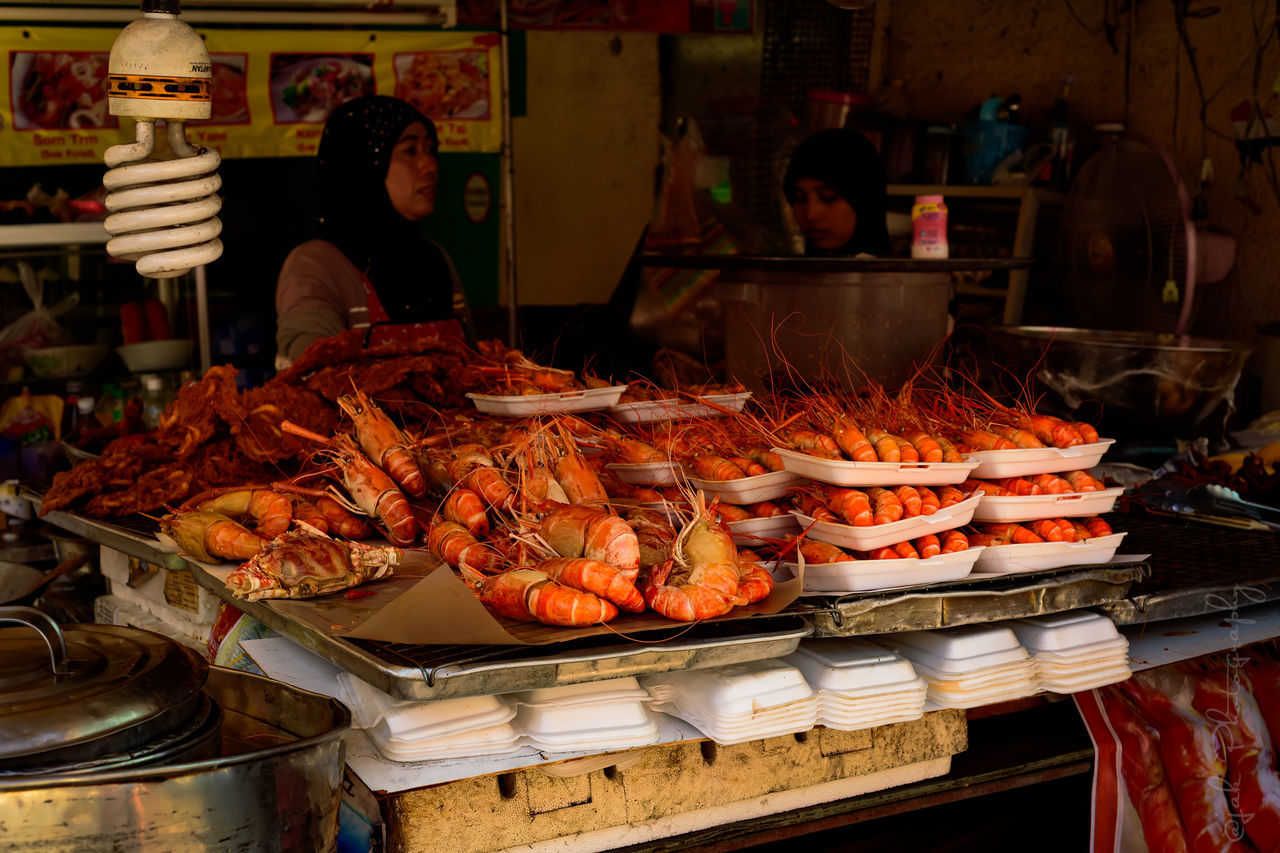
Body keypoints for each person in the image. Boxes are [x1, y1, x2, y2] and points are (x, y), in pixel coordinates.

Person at [275, 95, 473, 367]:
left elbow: (473, 364)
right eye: (410, 151)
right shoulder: (316, 265)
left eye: (430, 149)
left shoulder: (436, 259)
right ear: (364, 165)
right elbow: (311, 377)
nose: (430, 166)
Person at [783, 127, 892, 256]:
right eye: (800, 198)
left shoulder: (895, 275)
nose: (810, 215)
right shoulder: (791, 275)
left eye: (828, 197)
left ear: (865, 200)